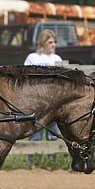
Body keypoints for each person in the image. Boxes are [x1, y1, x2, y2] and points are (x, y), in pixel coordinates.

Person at [24, 30, 62, 163]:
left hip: (53, 103)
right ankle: (33, 162)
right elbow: (26, 78)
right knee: (35, 133)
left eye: (54, 42)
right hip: (36, 102)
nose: (53, 45)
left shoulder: (57, 59)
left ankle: (53, 162)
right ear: (43, 42)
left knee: (53, 134)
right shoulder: (33, 58)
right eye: (50, 42)